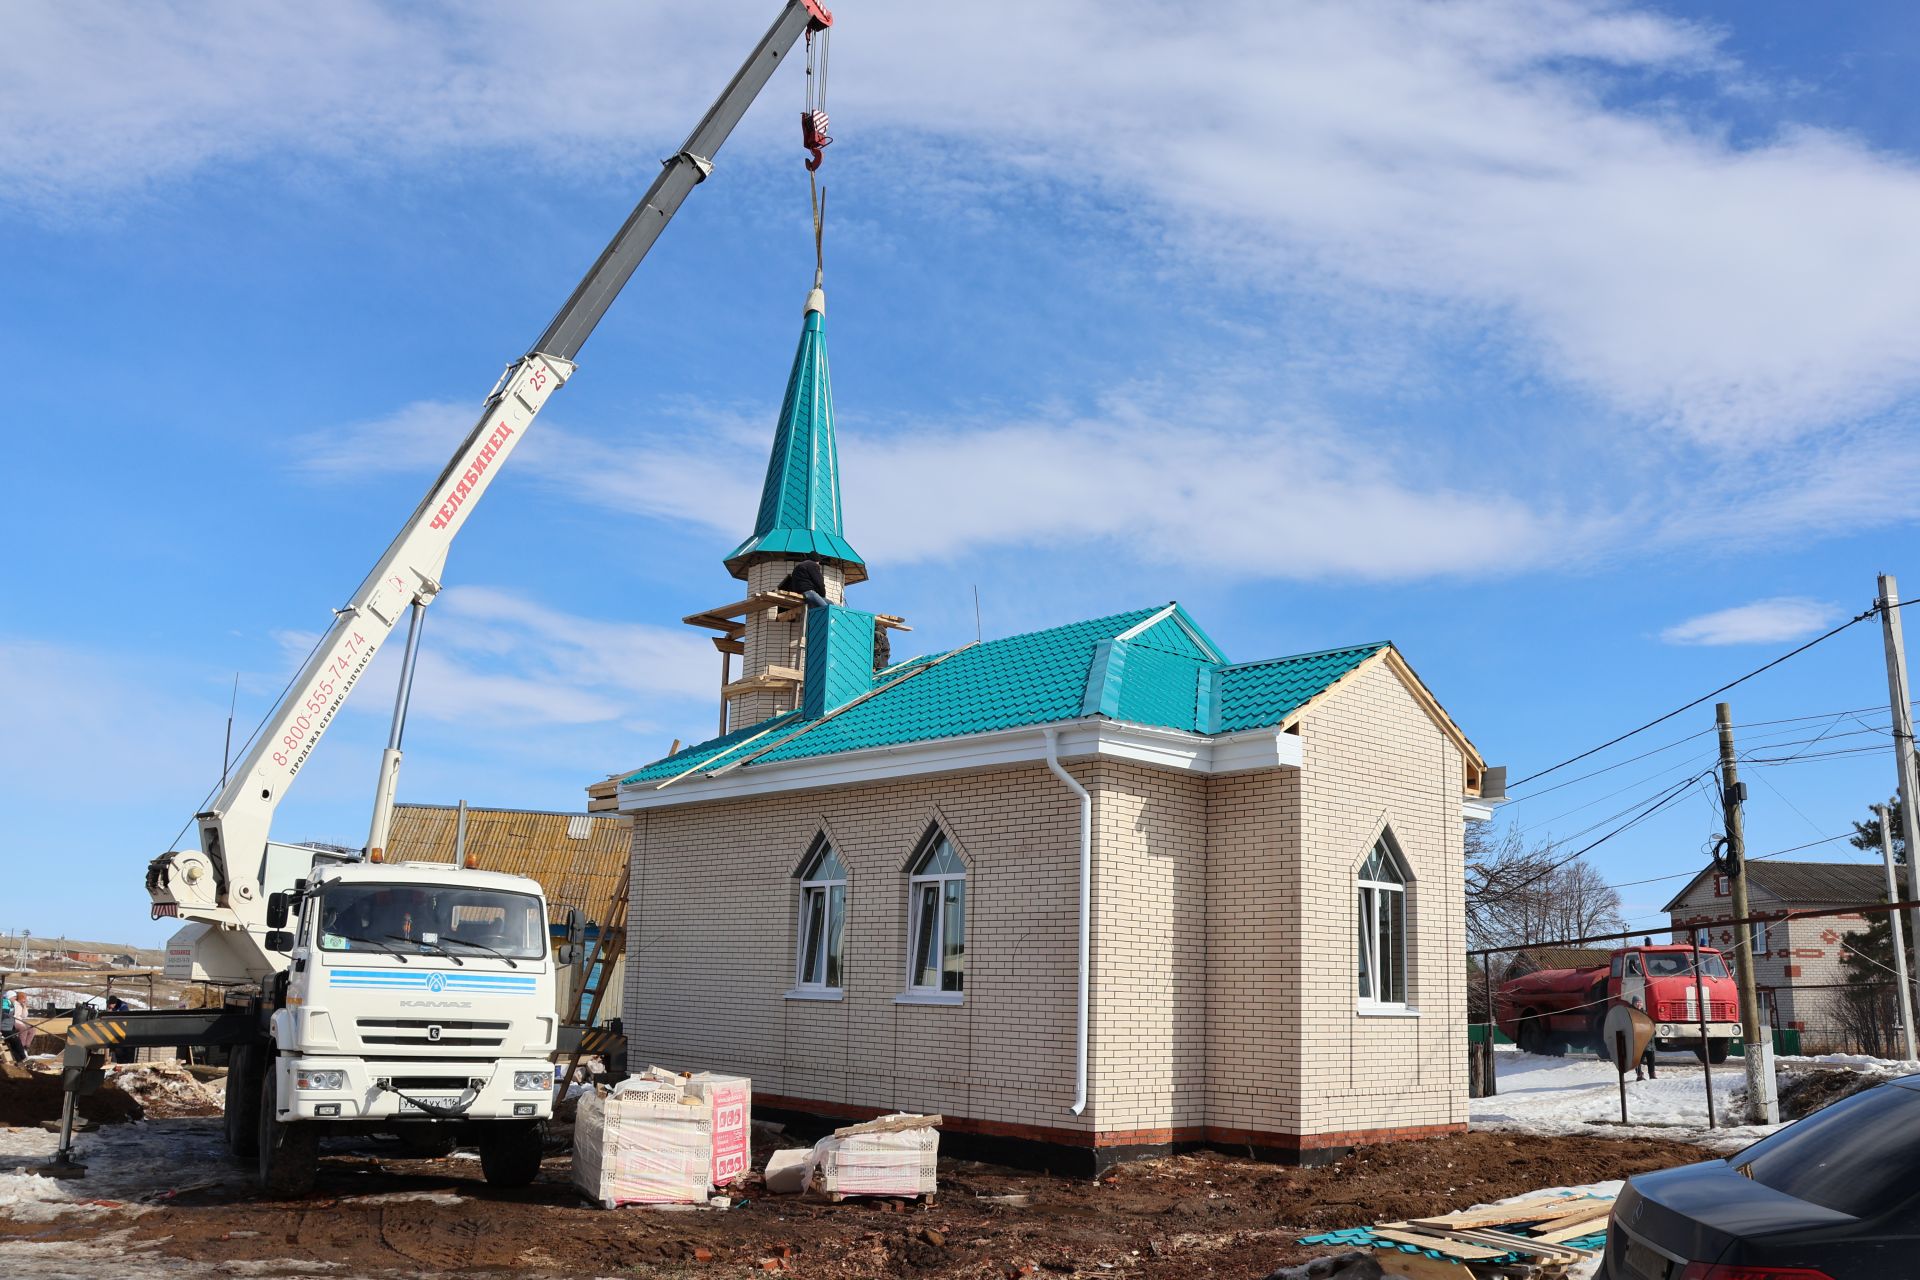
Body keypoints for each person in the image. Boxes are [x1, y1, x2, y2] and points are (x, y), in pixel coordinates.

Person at [104, 994, 137, 1064]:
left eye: (110, 1005)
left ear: (114, 1003)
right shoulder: (112, 1007)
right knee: (118, 1052)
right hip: (116, 1033)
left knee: (125, 1053)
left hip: (125, 1032)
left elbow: (123, 1019)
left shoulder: (123, 1007)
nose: (109, 1007)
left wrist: (112, 1013)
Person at [2, 991, 30, 1063]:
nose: (15, 998)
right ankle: (23, 1058)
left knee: (15, 1043)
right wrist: (7, 1015)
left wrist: (24, 1007)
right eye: (14, 996)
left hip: (9, 1026)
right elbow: (4, 1012)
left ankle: (20, 1060)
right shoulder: (5, 1002)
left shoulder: (10, 1003)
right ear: (10, 997)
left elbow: (24, 1015)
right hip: (4, 1027)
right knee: (16, 1041)